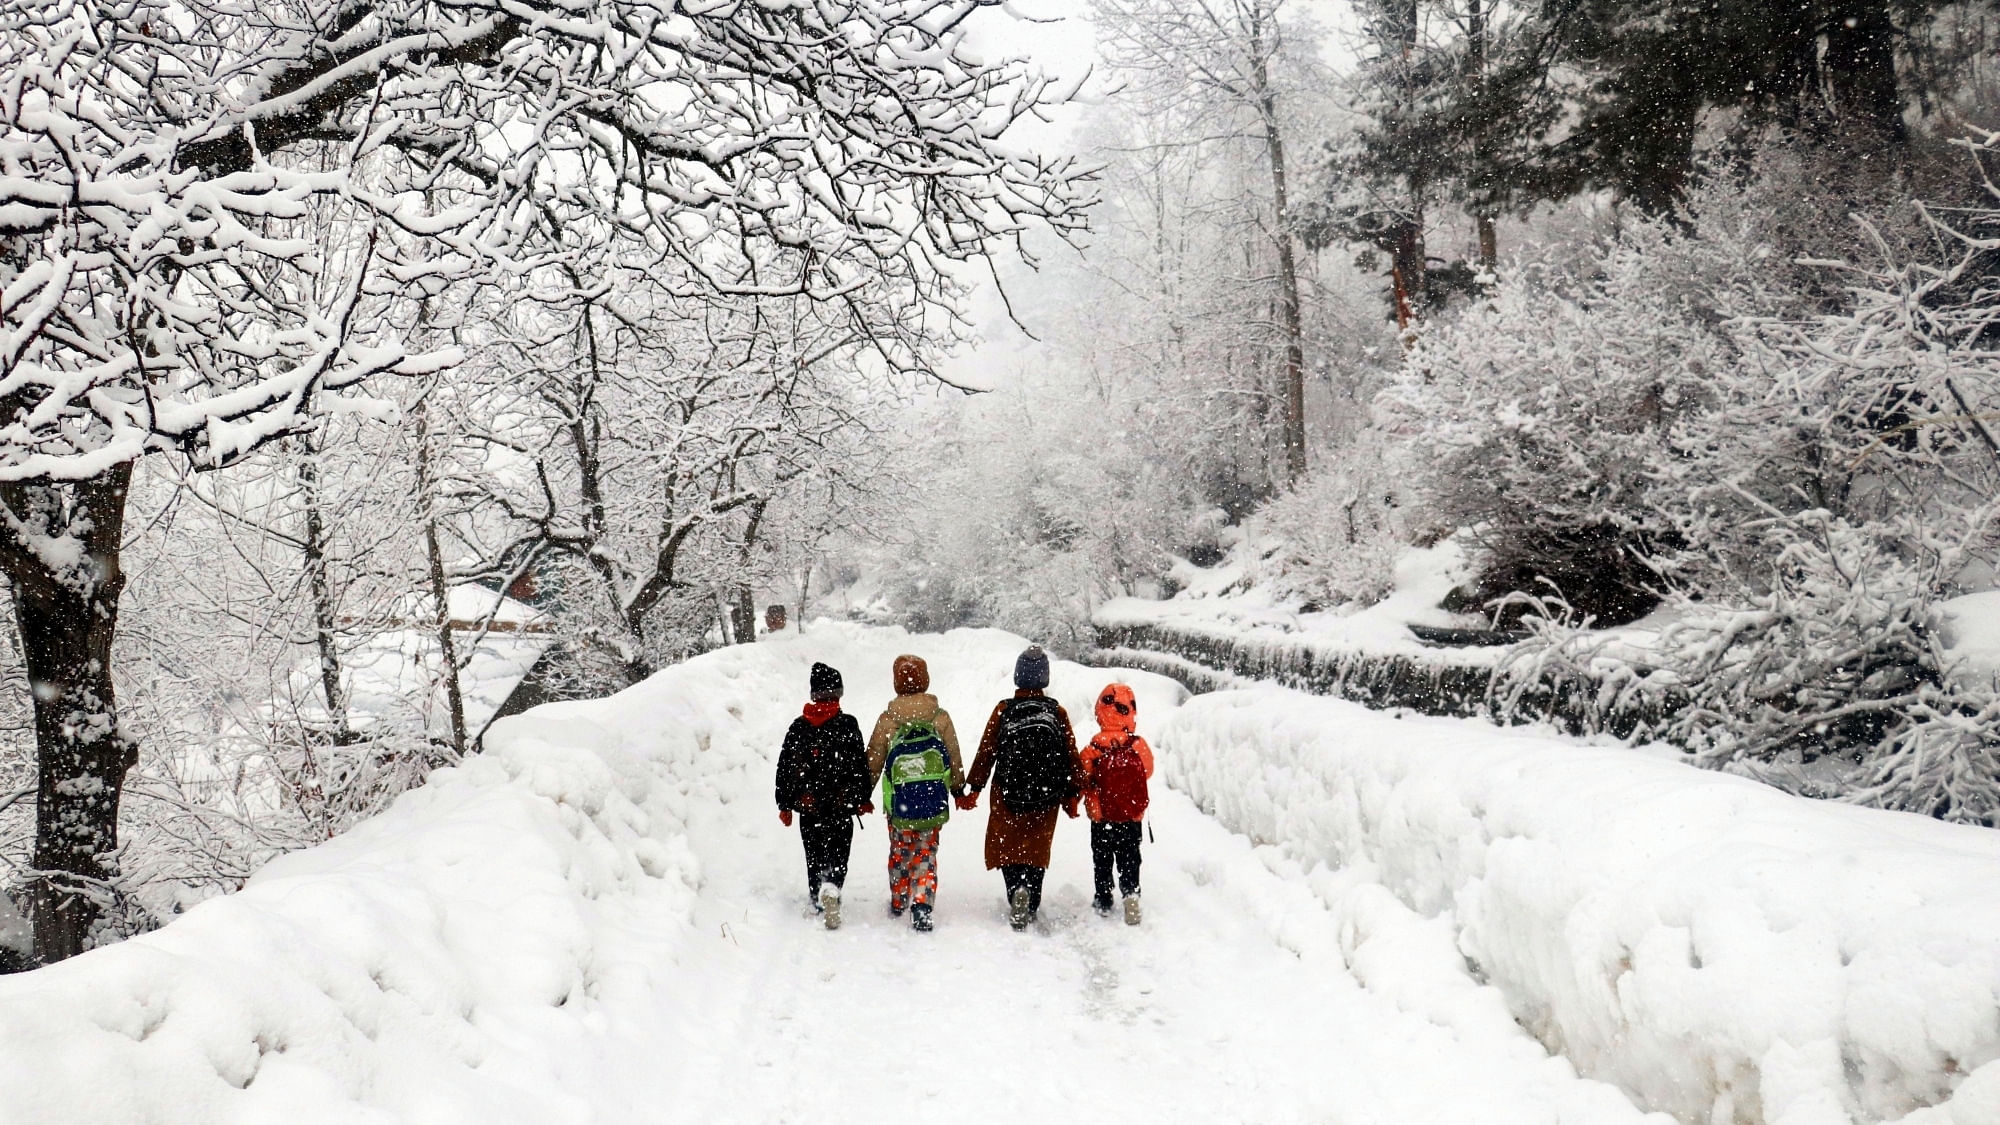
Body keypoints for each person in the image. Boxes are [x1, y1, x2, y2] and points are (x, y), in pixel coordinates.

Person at [964, 645, 1085, 931]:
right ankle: (1031, 896)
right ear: (1044, 679)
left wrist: (975, 788)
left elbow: (987, 751)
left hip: (1008, 792)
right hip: (1046, 796)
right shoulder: (1056, 711)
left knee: (1008, 845)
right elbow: (1070, 755)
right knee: (1036, 848)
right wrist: (1073, 792)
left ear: (1018, 677)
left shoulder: (1004, 709)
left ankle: (1015, 889)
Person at [866, 655, 969, 932]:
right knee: (926, 851)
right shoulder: (939, 717)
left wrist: (863, 793)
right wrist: (958, 789)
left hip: (898, 803)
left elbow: (875, 758)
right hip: (933, 801)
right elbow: (954, 756)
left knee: (899, 850)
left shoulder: (888, 719)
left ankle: (900, 898)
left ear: (896, 683)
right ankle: (922, 902)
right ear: (925, 680)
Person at [774, 661, 871, 930]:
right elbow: (859, 766)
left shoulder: (798, 728)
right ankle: (833, 887)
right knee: (839, 853)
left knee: (813, 853)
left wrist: (785, 804)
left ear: (813, 695)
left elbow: (784, 768)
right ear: (838, 694)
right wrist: (862, 797)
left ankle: (817, 894)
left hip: (809, 808)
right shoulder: (848, 725)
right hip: (840, 805)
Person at [1078, 682, 1154, 925]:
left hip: (1101, 815)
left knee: (1102, 857)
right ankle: (1130, 893)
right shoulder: (1137, 744)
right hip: (1131, 814)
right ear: (1130, 711)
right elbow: (1148, 771)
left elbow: (1082, 776)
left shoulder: (1094, 747)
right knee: (1130, 855)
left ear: (1101, 710)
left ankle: (1103, 897)